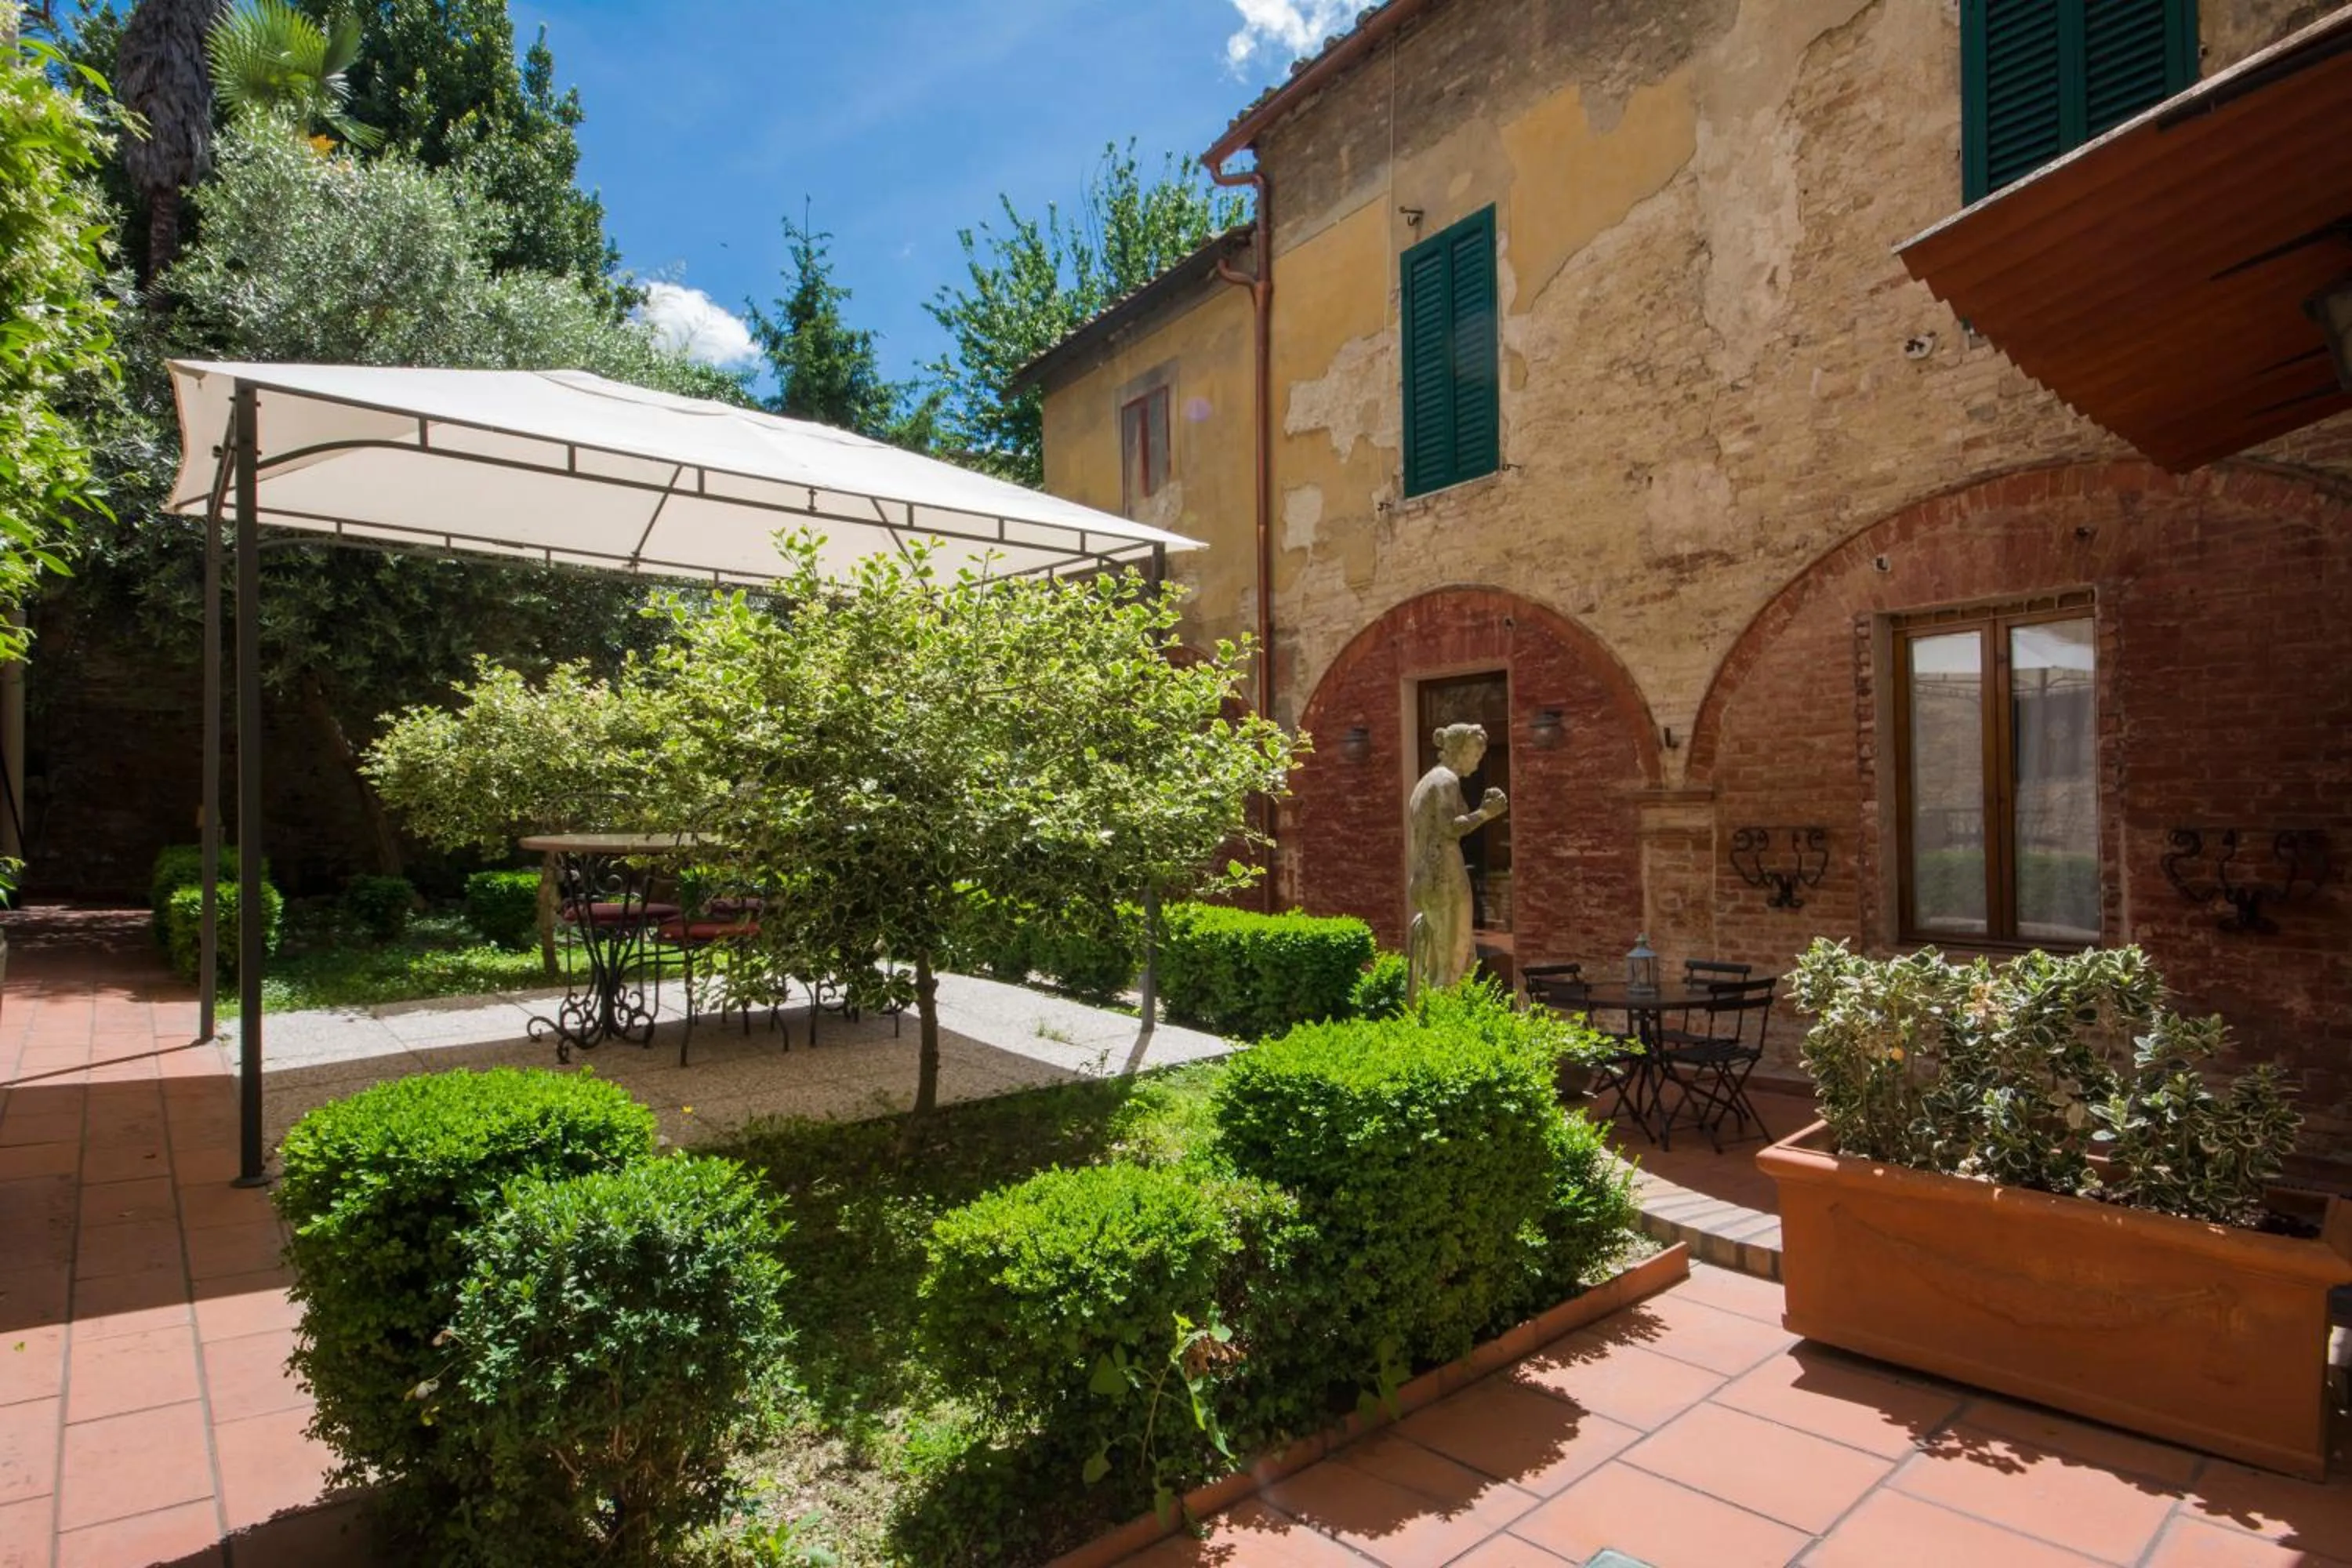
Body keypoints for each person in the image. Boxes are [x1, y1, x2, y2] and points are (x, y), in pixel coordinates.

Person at [1405, 722, 1507, 996]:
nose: (1477, 761)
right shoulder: (1446, 780)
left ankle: (1432, 1018)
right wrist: (1486, 813)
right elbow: (1450, 827)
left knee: (1439, 959)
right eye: (1474, 754)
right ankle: (1442, 1028)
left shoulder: (1430, 780)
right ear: (1459, 750)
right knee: (1453, 960)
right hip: (1443, 873)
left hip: (1426, 873)